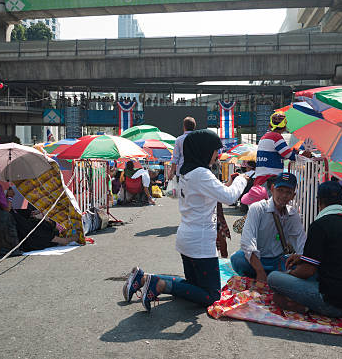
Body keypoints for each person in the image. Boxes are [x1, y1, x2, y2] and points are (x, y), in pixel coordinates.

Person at [122, 130, 247, 311]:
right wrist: (241, 180)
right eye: (214, 150)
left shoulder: (188, 172)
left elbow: (212, 192)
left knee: (193, 286)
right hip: (200, 242)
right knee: (211, 295)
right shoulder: (201, 173)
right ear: (203, 150)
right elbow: (229, 197)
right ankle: (159, 285)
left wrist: (228, 182)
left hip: (188, 239)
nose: (216, 155)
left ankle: (142, 279)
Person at [267, 181, 342, 317]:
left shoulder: (320, 226)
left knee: (274, 278)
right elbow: (334, 256)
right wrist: (302, 258)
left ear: (319, 201)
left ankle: (304, 305)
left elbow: (307, 271)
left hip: (334, 303)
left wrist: (288, 277)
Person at [230, 172, 306, 281]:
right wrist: (259, 270)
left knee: (301, 266)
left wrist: (300, 257)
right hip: (257, 260)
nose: (284, 196)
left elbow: (301, 242)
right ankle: (266, 275)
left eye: (288, 192)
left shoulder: (292, 214)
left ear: (293, 195)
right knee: (237, 259)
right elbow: (247, 242)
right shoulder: (258, 208)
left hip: (278, 261)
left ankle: (272, 276)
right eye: (280, 190)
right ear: (272, 189)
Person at [242, 112, 295, 205]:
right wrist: (302, 154)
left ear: (270, 124)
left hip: (262, 179)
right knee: (271, 209)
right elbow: (289, 155)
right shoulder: (276, 137)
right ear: (284, 125)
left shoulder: (265, 137)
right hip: (270, 180)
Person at [167, 117, 196, 181]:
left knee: (182, 190)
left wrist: (171, 172)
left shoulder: (179, 139)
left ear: (184, 127)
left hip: (182, 172)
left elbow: (175, 158)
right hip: (196, 171)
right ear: (194, 126)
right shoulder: (198, 139)